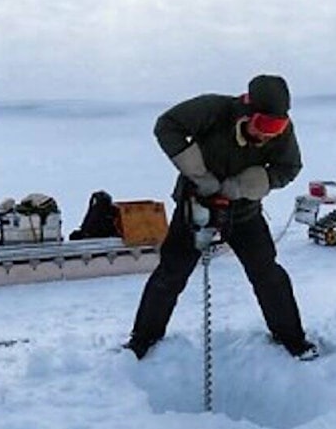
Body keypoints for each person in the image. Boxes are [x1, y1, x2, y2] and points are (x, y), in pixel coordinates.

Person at [125, 74, 319, 361]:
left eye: (276, 128)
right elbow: (167, 126)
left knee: (268, 275)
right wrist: (198, 172)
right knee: (171, 274)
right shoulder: (214, 110)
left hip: (244, 213)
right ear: (247, 109)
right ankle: (143, 341)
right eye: (264, 126)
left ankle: (291, 338)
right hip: (196, 207)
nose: (268, 135)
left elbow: (289, 166)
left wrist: (254, 182)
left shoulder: (281, 132)